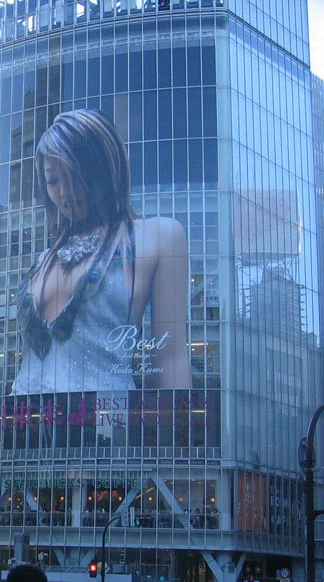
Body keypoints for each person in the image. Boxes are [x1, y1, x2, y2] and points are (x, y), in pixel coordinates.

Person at [11, 108, 191, 395]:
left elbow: (171, 357)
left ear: (105, 166)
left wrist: (178, 432)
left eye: (74, 175)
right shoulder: (43, 260)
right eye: (53, 181)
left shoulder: (160, 236)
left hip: (107, 425)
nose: (65, 192)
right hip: (22, 429)